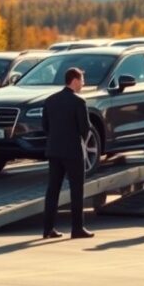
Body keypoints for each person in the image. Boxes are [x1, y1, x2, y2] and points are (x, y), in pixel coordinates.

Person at [41, 67, 95, 239]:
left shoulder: (50, 100)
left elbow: (45, 126)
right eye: (82, 80)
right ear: (75, 80)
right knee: (76, 190)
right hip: (72, 152)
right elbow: (85, 130)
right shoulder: (79, 102)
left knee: (53, 190)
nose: (84, 84)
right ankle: (77, 228)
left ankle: (48, 229)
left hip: (54, 151)